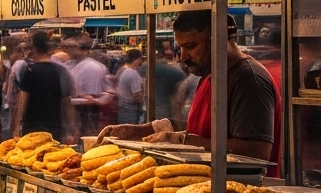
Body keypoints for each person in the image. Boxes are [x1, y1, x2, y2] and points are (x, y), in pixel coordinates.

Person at [98, 12, 280, 175]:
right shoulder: (209, 75)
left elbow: (257, 152)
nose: (183, 56)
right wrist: (138, 131)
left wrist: (179, 140)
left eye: (191, 46)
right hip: (206, 192)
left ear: (217, 40)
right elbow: (203, 133)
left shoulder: (247, 79)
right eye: (181, 47)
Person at [13, 30, 72, 141]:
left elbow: (22, 102)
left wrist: (16, 128)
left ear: (34, 48)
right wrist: (71, 129)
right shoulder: (59, 70)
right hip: (55, 126)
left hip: (33, 127)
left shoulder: (30, 71)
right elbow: (67, 101)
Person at [153, 50, 187, 119]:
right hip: (165, 106)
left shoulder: (150, 67)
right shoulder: (177, 72)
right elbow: (180, 93)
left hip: (151, 105)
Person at [115, 49, 145, 124]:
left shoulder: (125, 71)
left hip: (123, 111)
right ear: (137, 59)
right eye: (141, 58)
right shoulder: (133, 74)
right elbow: (137, 95)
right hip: (131, 112)